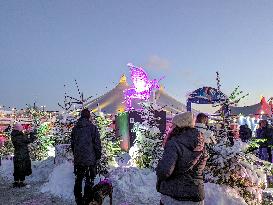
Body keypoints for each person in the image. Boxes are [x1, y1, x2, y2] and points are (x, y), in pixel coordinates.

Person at [156, 112, 208, 205]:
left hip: (174, 195)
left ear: (179, 125)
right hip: (196, 195)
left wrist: (159, 165)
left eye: (173, 124)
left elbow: (164, 172)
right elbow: (201, 167)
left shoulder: (174, 143)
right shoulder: (201, 141)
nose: (171, 127)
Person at [71, 109, 102, 205]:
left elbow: (73, 144)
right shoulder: (93, 128)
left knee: (78, 179)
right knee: (89, 180)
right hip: (90, 159)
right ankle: (87, 200)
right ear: (89, 117)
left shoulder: (75, 129)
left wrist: (76, 155)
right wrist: (98, 156)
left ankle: (78, 200)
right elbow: (97, 144)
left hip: (79, 159)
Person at [11, 123, 36, 188]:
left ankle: (16, 182)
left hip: (17, 153)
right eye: (21, 128)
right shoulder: (19, 136)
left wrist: (26, 134)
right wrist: (31, 133)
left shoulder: (14, 135)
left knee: (17, 168)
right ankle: (21, 182)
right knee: (22, 168)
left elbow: (22, 138)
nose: (22, 129)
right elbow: (30, 140)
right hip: (22, 154)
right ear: (19, 129)